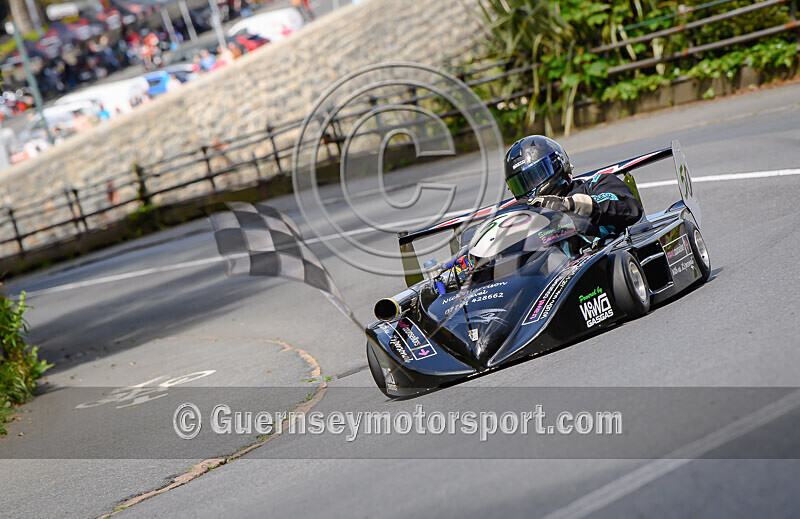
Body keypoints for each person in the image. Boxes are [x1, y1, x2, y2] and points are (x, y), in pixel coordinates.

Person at [504, 135, 642, 238]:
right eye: (521, 185)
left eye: (535, 176)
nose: (530, 188)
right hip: (544, 272)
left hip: (597, 263)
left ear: (558, 163)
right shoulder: (522, 215)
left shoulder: (596, 185)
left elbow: (629, 207)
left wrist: (569, 205)